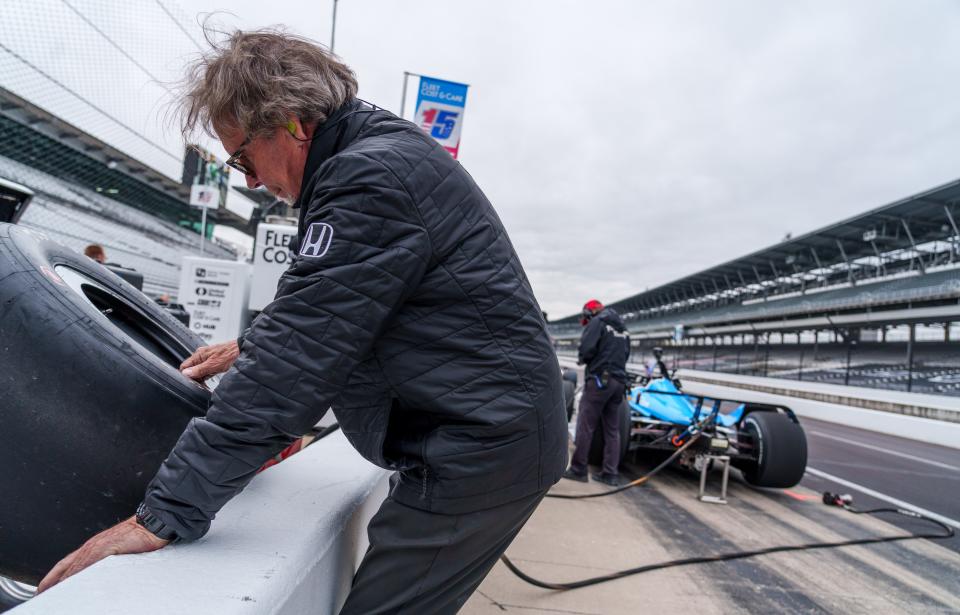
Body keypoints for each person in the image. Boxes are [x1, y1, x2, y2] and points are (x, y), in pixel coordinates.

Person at [37, 28, 568, 612]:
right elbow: (340, 303)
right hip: (480, 433)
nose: (250, 181)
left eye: (241, 155)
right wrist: (250, 341)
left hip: (477, 450)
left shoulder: (370, 178)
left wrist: (163, 513)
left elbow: (295, 363)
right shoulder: (379, 156)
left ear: (291, 123)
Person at [562, 299, 631, 486]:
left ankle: (578, 469)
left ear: (590, 312)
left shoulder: (598, 322)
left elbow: (586, 349)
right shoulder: (622, 328)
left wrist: (584, 358)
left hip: (601, 380)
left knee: (586, 424)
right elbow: (626, 354)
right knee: (612, 430)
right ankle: (610, 474)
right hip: (619, 381)